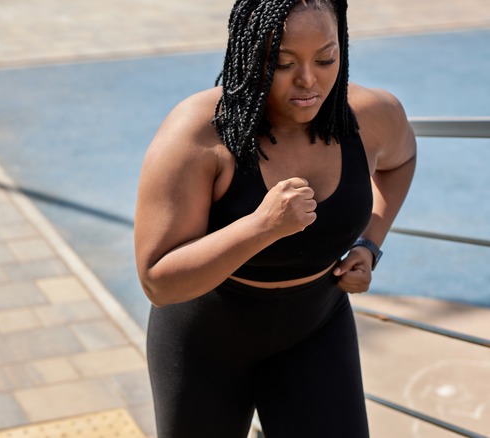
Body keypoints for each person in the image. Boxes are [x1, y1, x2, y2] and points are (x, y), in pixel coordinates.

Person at [133, 0, 417, 436]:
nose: (309, 80)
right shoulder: (200, 132)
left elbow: (401, 161)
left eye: (326, 58)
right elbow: (158, 280)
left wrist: (369, 242)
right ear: (250, 55)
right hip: (206, 341)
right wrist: (261, 226)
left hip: (315, 327)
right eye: (283, 62)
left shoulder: (372, 116)